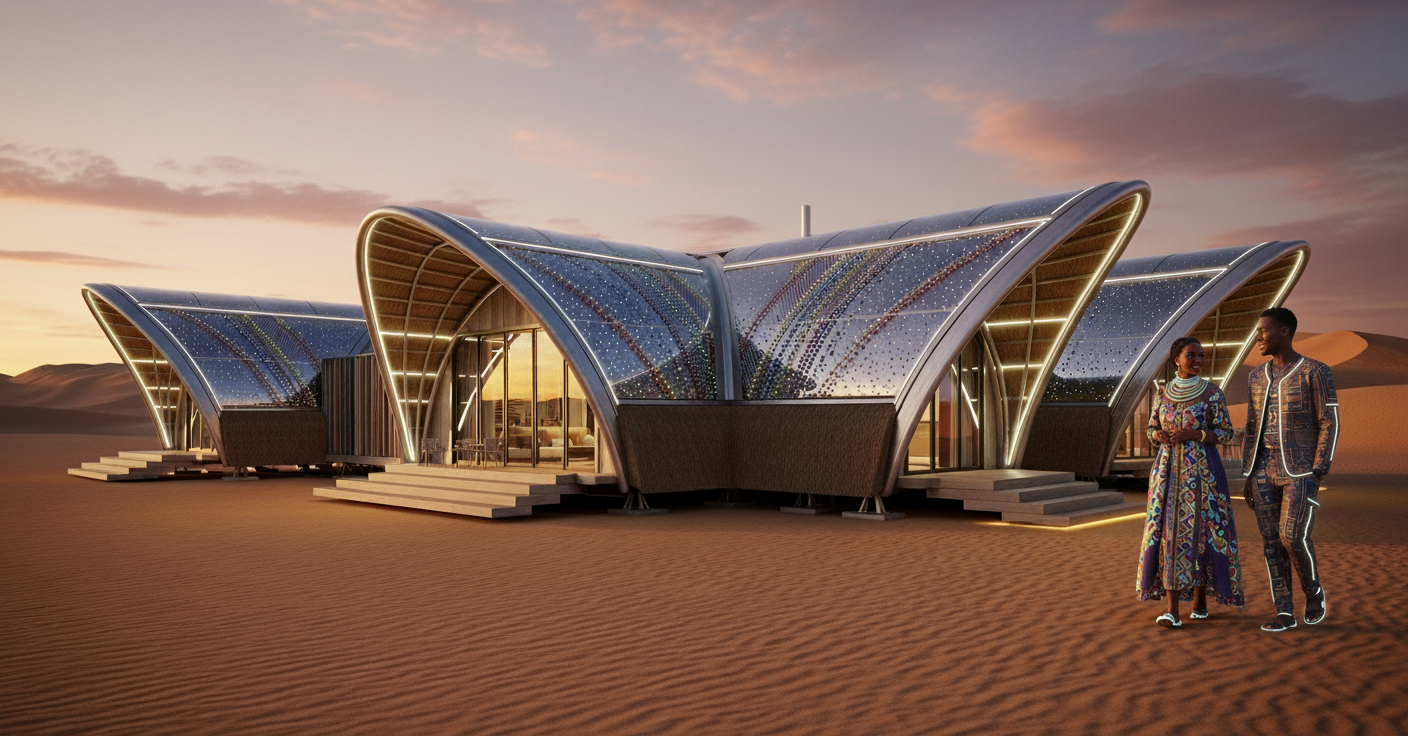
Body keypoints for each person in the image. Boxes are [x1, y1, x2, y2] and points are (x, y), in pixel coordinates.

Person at [1243, 307, 1339, 632]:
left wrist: (1319, 468)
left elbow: (1328, 421)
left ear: (1284, 331)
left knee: (1292, 536)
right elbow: (1252, 425)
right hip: (1262, 472)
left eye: (1263, 331)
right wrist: (1248, 474)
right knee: (1271, 542)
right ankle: (1284, 611)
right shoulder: (1255, 376)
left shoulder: (1316, 372)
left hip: (1300, 471)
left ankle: (1313, 593)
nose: (1258, 337)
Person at [1138, 337, 1244, 627]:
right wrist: (1156, 435)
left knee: (1203, 533)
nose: (1198, 360)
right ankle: (1172, 610)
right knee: (1170, 534)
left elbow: (1225, 433)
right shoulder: (1162, 393)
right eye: (1191, 355)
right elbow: (1152, 426)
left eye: (1201, 356)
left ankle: (1200, 600)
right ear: (1176, 360)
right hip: (1167, 473)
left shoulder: (1212, 393)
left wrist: (1195, 435)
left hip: (1203, 475)